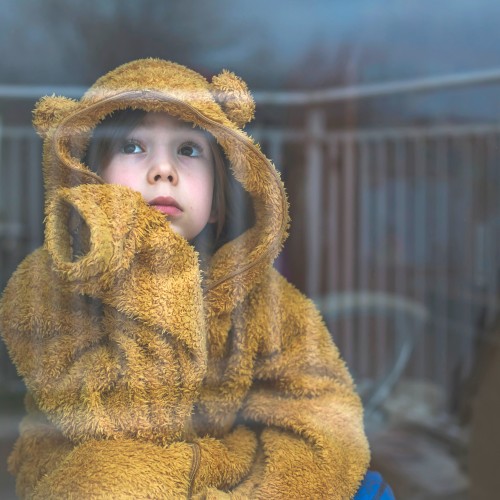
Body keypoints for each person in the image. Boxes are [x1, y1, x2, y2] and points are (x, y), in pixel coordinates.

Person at [0, 59, 370, 498]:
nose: (163, 171)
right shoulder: (45, 287)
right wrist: (155, 266)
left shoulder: (260, 295)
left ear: (215, 202)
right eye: (133, 147)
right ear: (87, 177)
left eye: (188, 150)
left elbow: (326, 421)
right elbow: (130, 421)